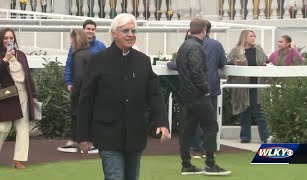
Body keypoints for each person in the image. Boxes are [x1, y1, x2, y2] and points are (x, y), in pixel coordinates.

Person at [77, 13, 170, 180]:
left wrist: (162, 122)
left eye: (133, 31)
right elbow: (86, 99)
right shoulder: (97, 60)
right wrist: (83, 135)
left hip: (135, 134)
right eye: (125, 30)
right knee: (115, 177)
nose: (130, 35)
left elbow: (154, 94)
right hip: (107, 134)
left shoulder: (143, 61)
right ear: (113, 33)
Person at [176, 18, 231, 176]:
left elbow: (182, 68)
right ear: (204, 30)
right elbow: (197, 72)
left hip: (187, 94)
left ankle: (186, 164)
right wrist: (205, 89)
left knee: (189, 129)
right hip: (198, 95)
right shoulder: (196, 47)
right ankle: (210, 164)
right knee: (210, 127)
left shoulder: (184, 45)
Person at [58, 19, 106, 153]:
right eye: (88, 28)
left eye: (92, 29)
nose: (90, 31)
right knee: (78, 115)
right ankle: (78, 141)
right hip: (86, 88)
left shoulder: (97, 48)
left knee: (83, 115)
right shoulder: (77, 51)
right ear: (84, 30)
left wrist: (75, 89)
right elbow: (69, 65)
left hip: (85, 89)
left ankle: (87, 143)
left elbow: (80, 75)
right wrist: (68, 82)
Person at [0, 28, 37, 169]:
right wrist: (5, 59)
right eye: (5, 38)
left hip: (23, 92)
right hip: (8, 92)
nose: (9, 40)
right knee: (3, 127)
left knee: (23, 127)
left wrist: (33, 95)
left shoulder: (21, 55)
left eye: (11, 38)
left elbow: (28, 76)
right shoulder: (2, 55)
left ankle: (19, 160)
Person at [227, 30, 269, 144]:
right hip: (242, 86)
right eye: (251, 36)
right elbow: (227, 63)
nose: (254, 37)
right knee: (244, 111)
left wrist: (265, 65)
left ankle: (265, 137)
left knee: (259, 112)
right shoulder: (236, 51)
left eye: (254, 35)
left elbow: (267, 61)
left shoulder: (259, 50)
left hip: (257, 85)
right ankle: (245, 137)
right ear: (244, 38)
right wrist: (237, 64)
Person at [57, 29, 91, 153]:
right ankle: (86, 142)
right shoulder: (89, 53)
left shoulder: (78, 55)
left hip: (80, 93)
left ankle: (79, 143)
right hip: (89, 92)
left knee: (76, 116)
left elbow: (78, 77)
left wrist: (74, 92)